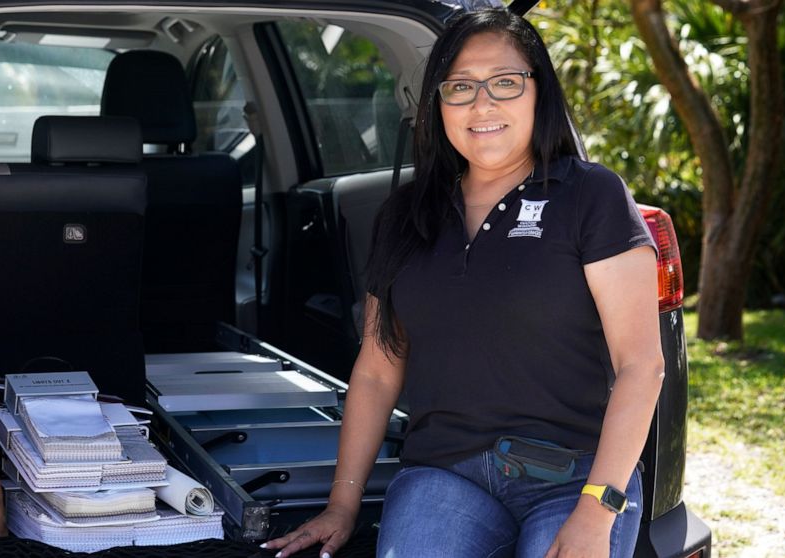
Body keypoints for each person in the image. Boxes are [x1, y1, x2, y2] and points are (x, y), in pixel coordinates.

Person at [262, 8, 663, 558]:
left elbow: (641, 365)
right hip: (445, 475)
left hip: (575, 479)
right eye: (460, 86)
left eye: (505, 82)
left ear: (539, 91)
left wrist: (598, 509)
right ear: (437, 103)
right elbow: (377, 370)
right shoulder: (404, 215)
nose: (482, 104)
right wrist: (342, 503)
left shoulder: (592, 196)